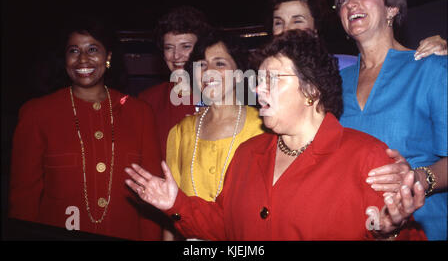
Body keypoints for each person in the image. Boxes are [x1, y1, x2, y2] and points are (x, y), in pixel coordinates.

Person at [125, 30, 426, 240]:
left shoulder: (369, 159)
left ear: (311, 89)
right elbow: (225, 226)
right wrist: (175, 203)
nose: (257, 89)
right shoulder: (247, 152)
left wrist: (390, 233)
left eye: (272, 80)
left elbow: (402, 231)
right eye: (258, 79)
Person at [8, 15, 164, 240]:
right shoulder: (36, 114)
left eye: (92, 50)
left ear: (108, 57)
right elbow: (24, 198)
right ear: (64, 59)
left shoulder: (139, 113)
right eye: (73, 51)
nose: (83, 59)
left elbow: (150, 199)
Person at [334, 0, 447, 240]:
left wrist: (418, 180)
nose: (351, 3)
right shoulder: (336, 82)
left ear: (392, 8)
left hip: (422, 225)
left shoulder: (431, 68)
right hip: (352, 227)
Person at [163, 30, 265, 240]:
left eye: (219, 63)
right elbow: (171, 212)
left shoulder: (265, 128)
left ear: (239, 73)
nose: (208, 71)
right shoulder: (181, 132)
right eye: (201, 65)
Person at [269, 0, 446, 68]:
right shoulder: (264, 78)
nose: (287, 29)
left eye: (297, 20)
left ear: (316, 28)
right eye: (278, 22)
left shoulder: (346, 68)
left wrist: (441, 54)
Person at [138, 6, 211, 158]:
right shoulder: (147, 101)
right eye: (169, 48)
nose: (176, 56)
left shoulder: (224, 96)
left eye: (186, 47)